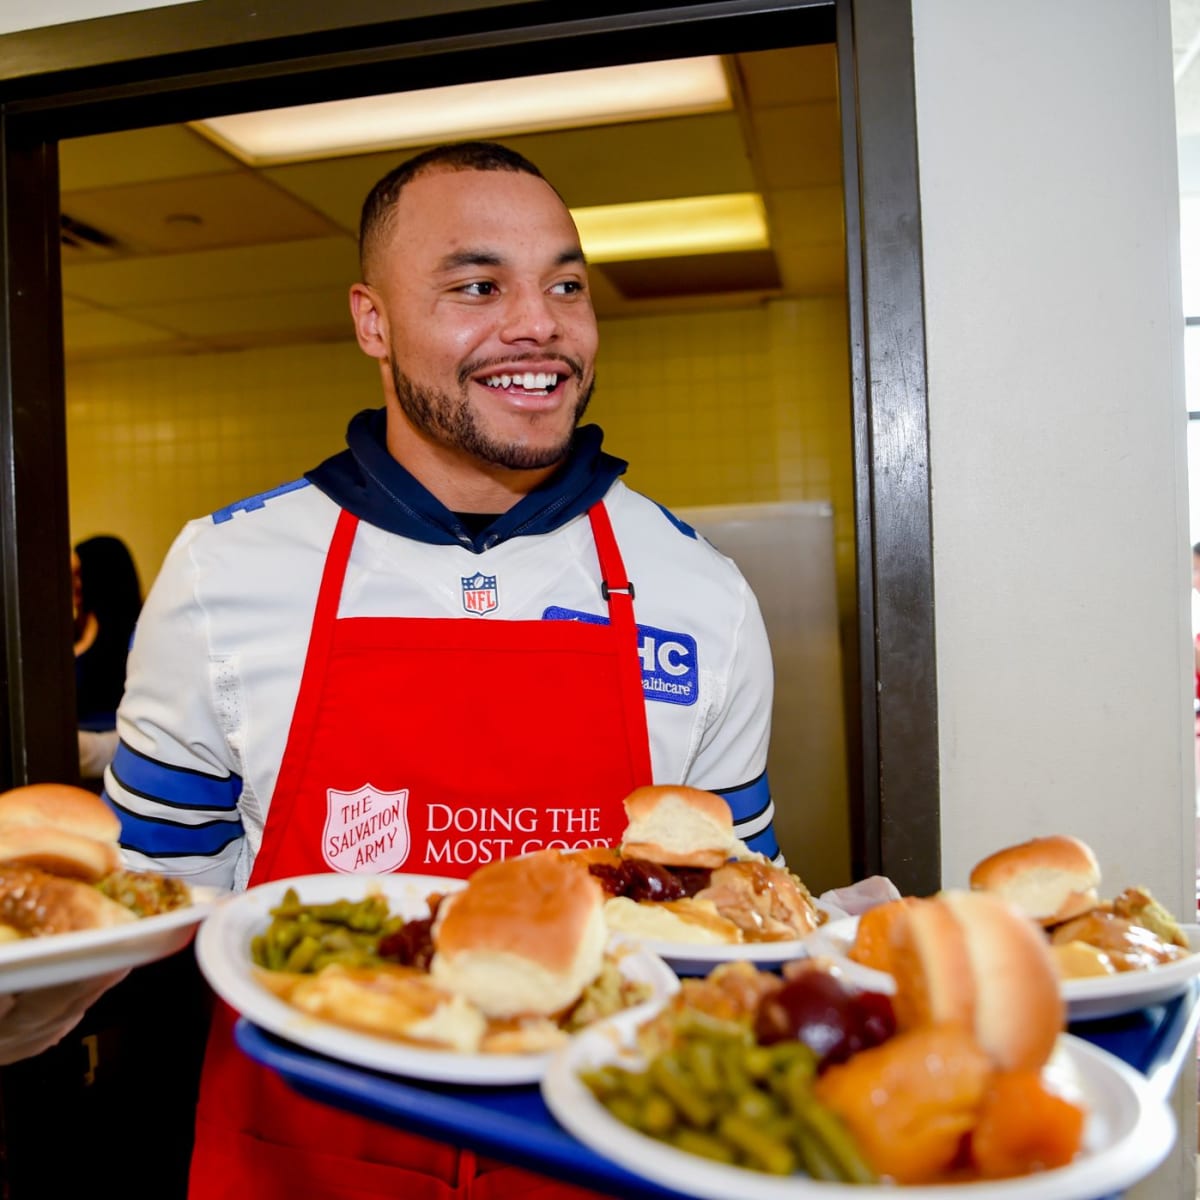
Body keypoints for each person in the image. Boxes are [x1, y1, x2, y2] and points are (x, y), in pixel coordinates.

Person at [99, 141, 779, 1200]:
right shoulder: (224, 572)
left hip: (606, 1157)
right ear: (372, 321)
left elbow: (735, 916)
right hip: (301, 1158)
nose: (539, 324)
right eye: (478, 286)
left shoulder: (701, 592)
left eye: (565, 283)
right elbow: (149, 906)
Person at [72, 534, 142, 781]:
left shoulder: (133, 636)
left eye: (80, 574)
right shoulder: (70, 629)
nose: (75, 583)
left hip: (112, 756)